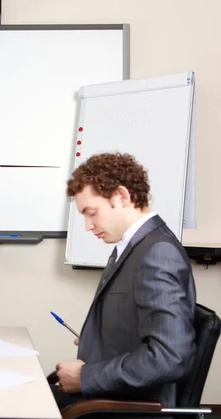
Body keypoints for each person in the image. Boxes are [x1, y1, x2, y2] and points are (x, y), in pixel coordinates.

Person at [52, 152, 196, 409]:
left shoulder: (157, 253)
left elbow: (170, 357)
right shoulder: (134, 246)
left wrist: (86, 377)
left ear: (122, 196)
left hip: (130, 406)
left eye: (91, 213)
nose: (87, 225)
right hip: (115, 395)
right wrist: (95, 339)